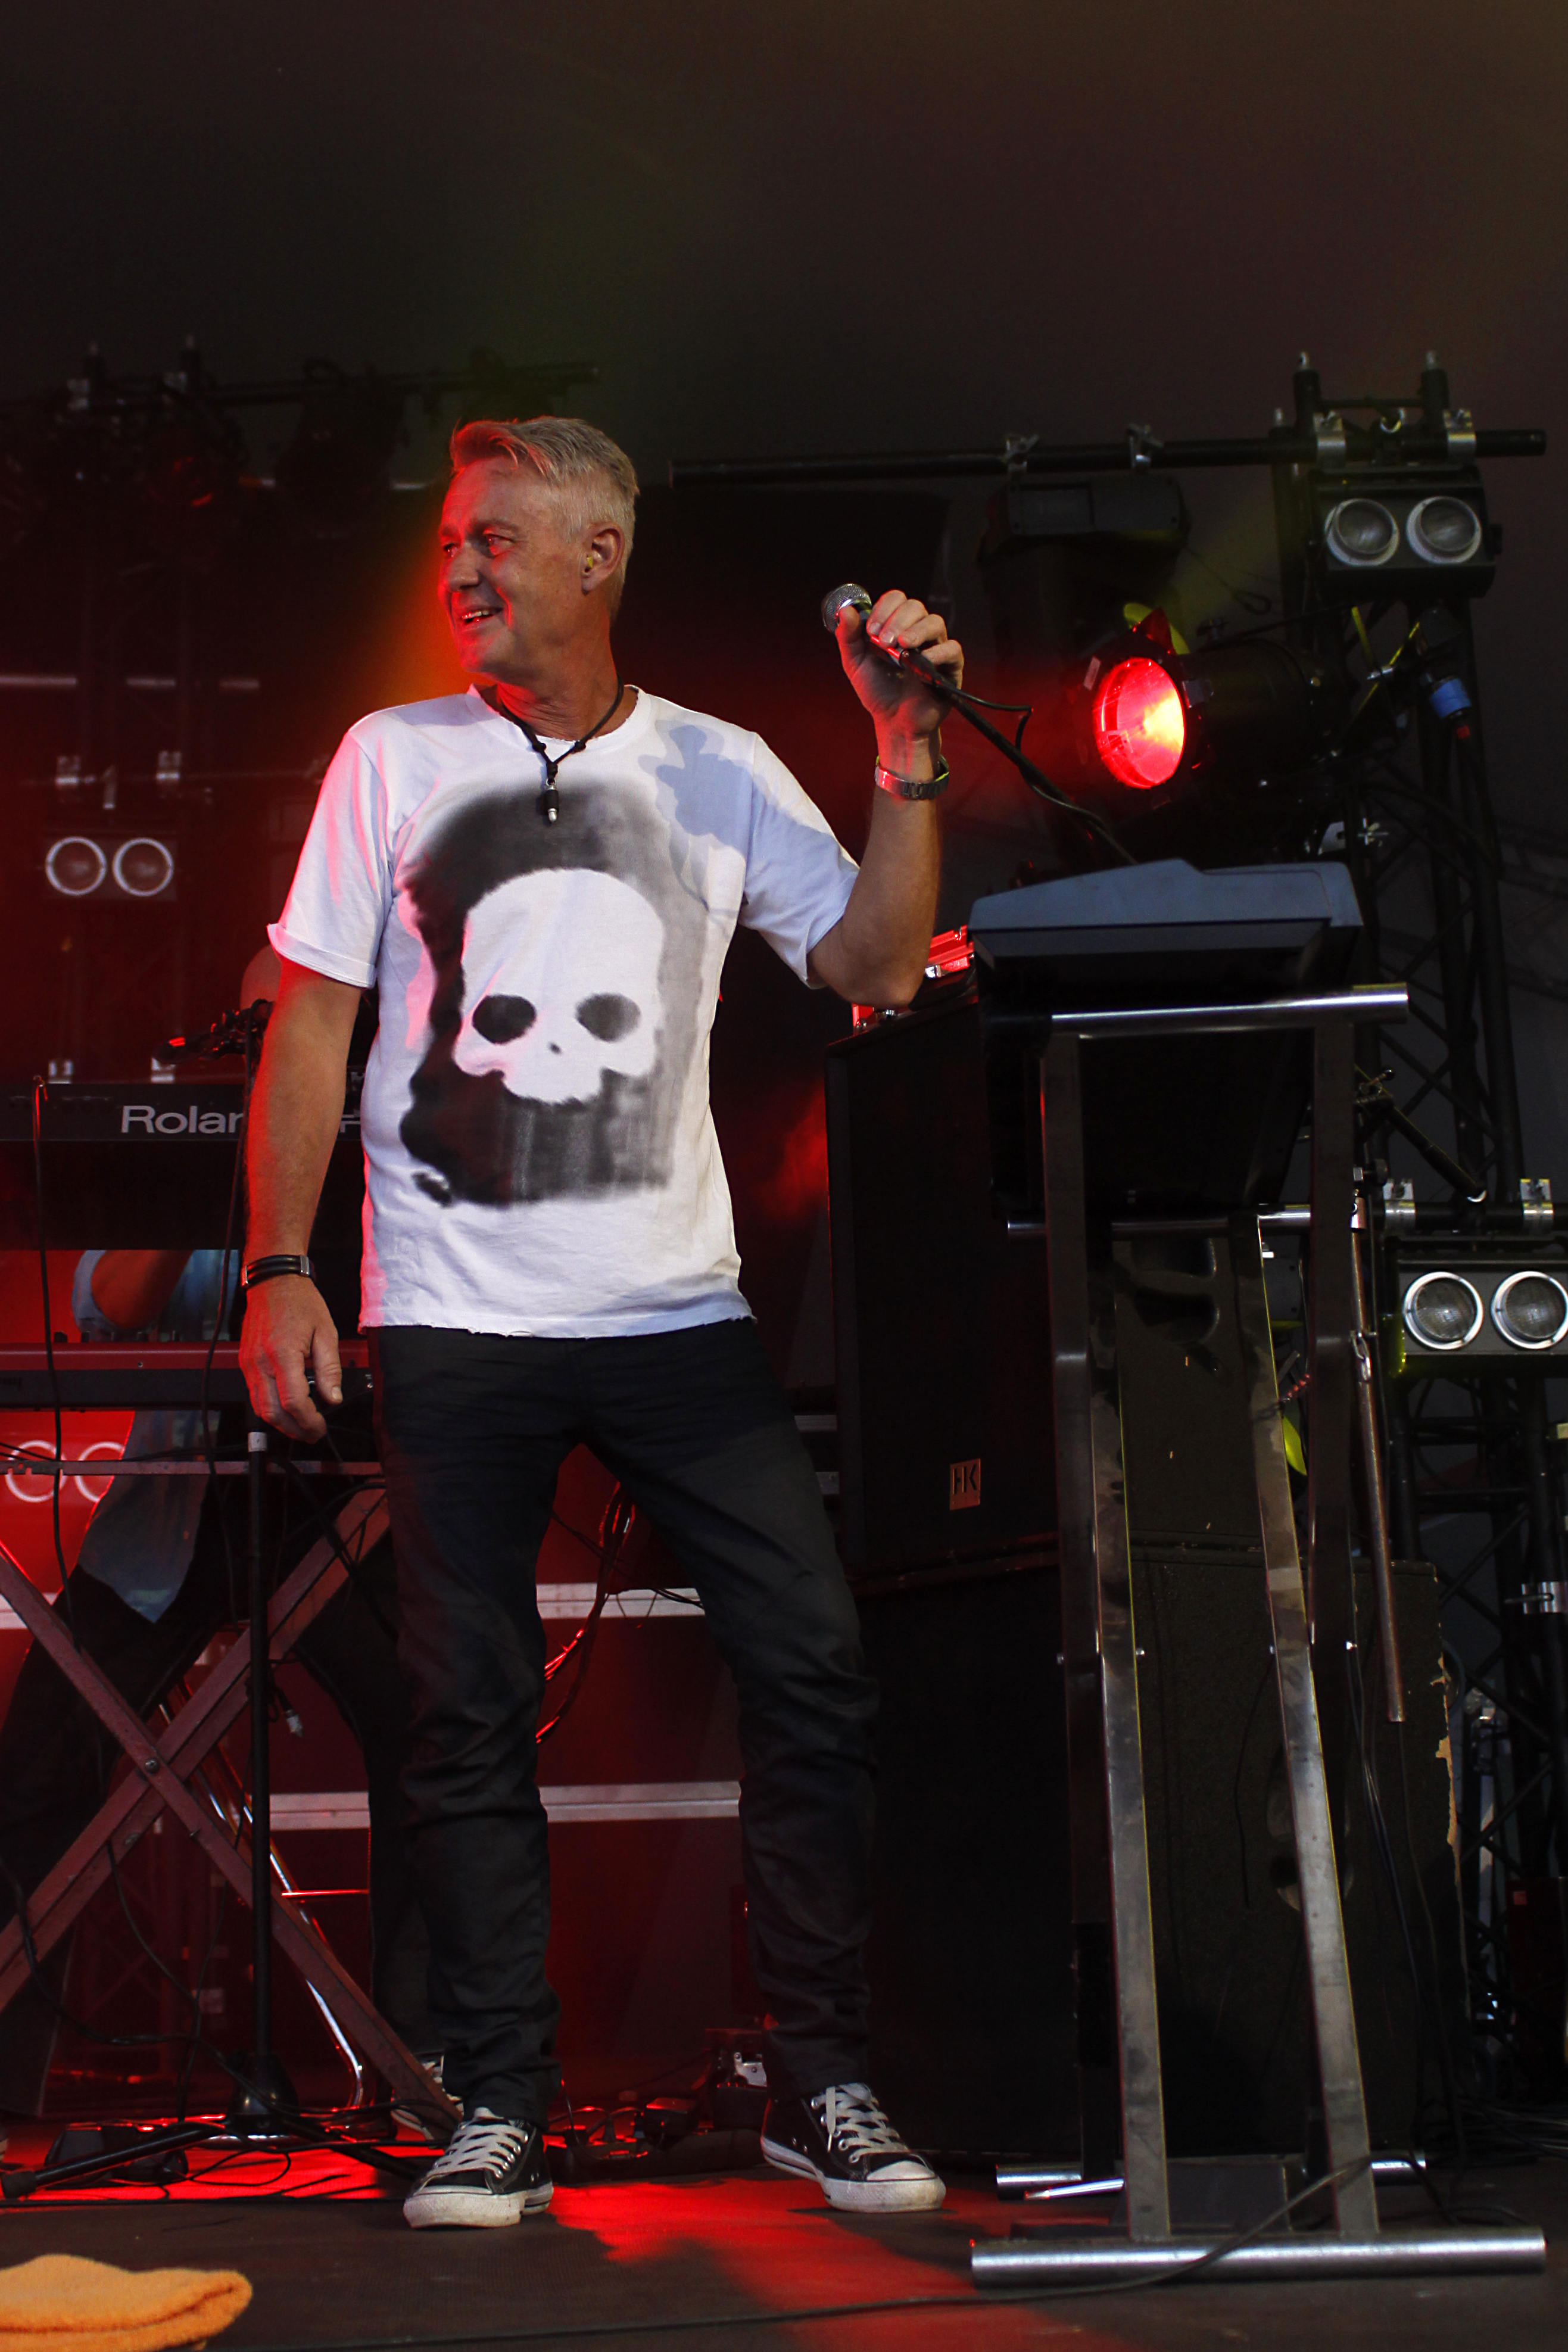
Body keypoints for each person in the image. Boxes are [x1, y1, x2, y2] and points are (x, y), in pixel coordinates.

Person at [238, 414, 959, 2228]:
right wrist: (276, 1264)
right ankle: (500, 2097)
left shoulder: (719, 768)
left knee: (812, 1661)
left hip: (673, 1310)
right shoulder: (389, 757)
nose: (461, 568)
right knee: (466, 1708)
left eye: (495, 537)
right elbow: (311, 1022)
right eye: (449, 543)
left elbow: (876, 968)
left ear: (597, 553)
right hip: (453, 1314)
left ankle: (820, 2076)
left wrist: (905, 759)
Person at [0, 947, 432, 2113]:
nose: (283, 1035)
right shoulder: (199, 1130)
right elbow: (106, 1307)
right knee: (40, 1756)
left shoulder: (395, 1145)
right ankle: (5, 2074)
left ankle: (426, 2058)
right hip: (174, 1514)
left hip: (337, 1503)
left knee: (433, 1728)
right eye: (263, 1019)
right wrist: (224, 1152)